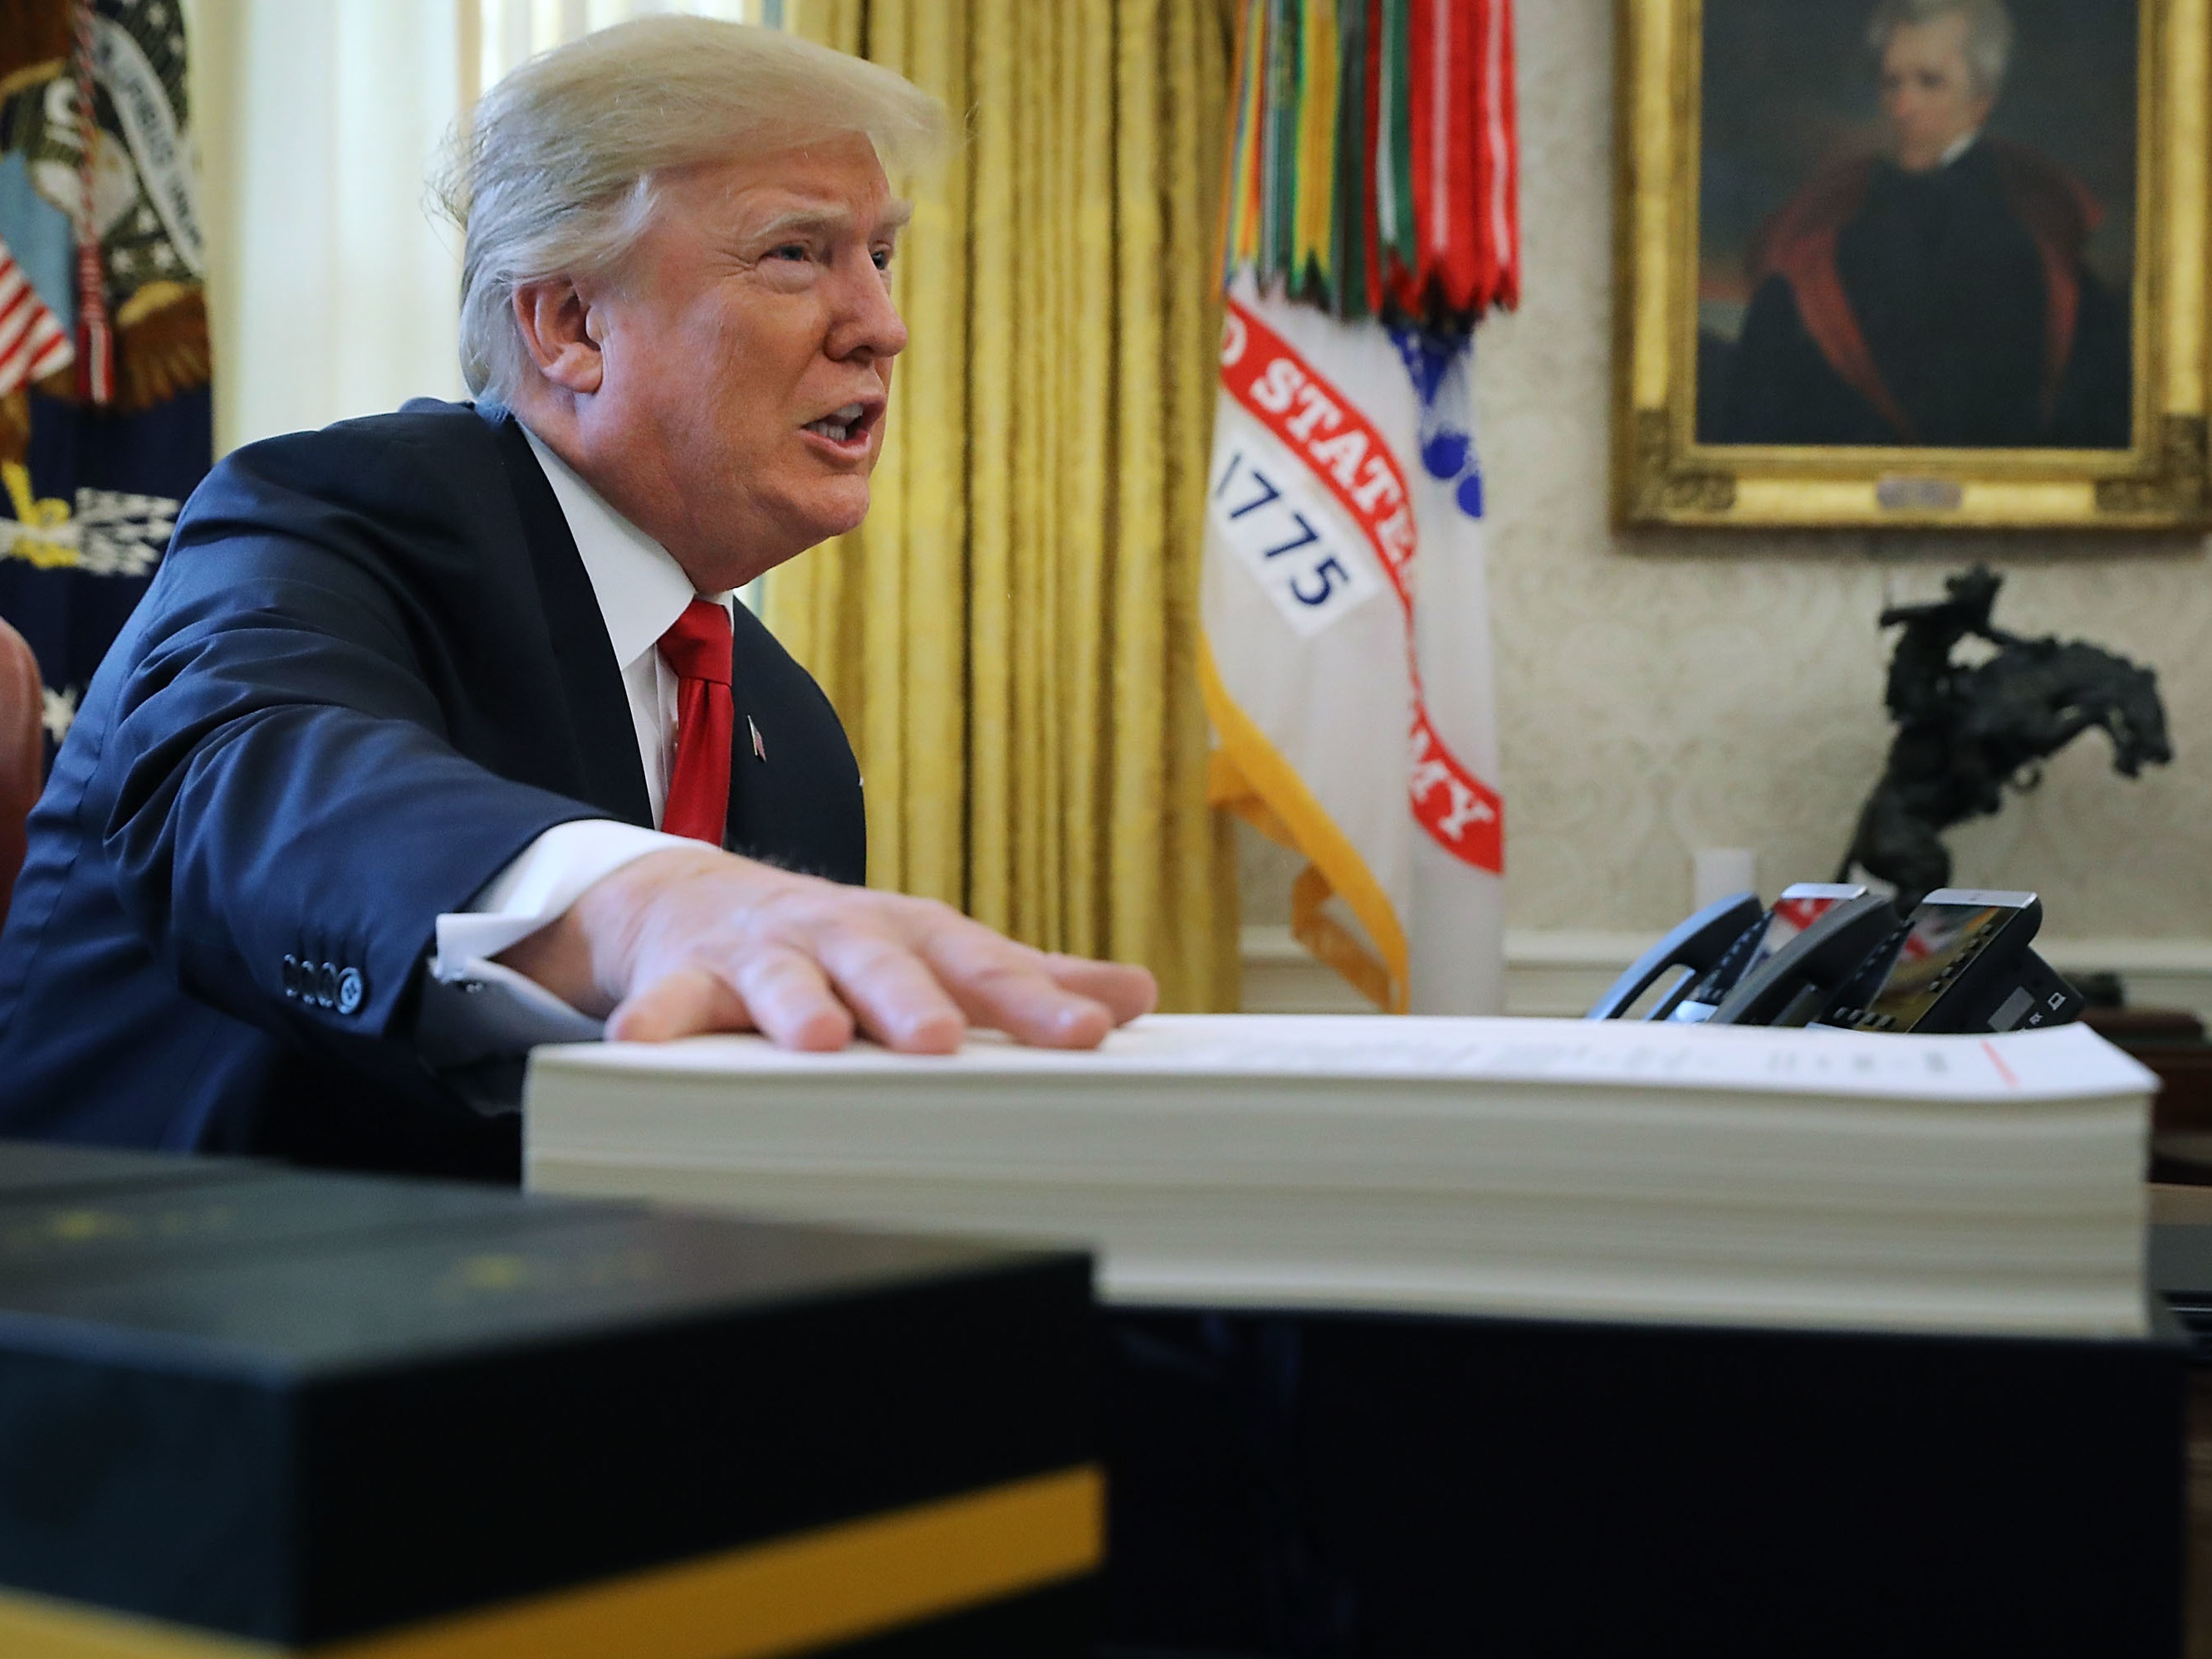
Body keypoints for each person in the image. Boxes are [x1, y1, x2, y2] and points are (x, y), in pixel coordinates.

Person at [0, 20, 1155, 1179]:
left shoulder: (789, 731)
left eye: (881, 255)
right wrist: (640, 904)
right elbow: (247, 771)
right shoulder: (335, 517)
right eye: (797, 254)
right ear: (570, 326)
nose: (882, 327)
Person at [1715, 0, 2130, 448]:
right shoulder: (1832, 214)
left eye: (1929, 83)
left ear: (1981, 102)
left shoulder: (2034, 233)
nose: (1901, 106)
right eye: (1891, 83)